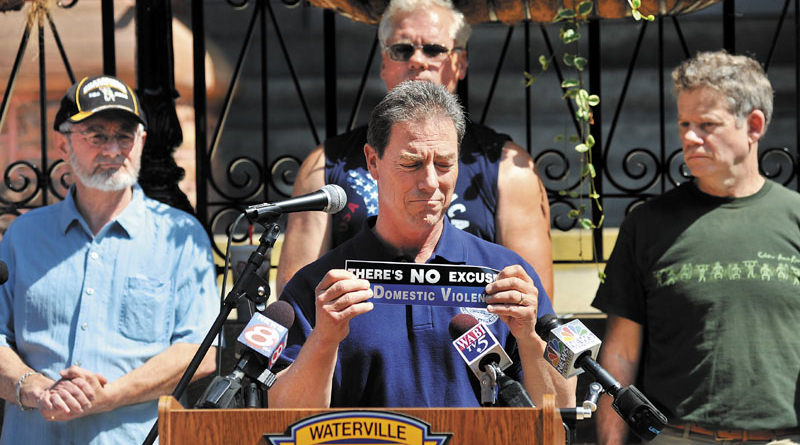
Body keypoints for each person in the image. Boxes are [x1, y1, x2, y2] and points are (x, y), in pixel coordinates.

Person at [268, 80, 573, 409]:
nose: (430, 182)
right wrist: (324, 340)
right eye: (412, 163)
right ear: (373, 162)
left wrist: (528, 338)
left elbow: (561, 406)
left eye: (444, 164)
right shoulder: (322, 287)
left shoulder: (505, 275)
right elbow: (283, 417)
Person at [276, 0, 554, 301]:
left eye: (434, 49)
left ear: (460, 63)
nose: (417, 60)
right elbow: (296, 304)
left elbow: (534, 305)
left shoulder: (507, 168)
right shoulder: (326, 164)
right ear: (384, 63)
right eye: (402, 49)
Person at [592, 51, 800, 445]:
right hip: (676, 436)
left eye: (707, 124)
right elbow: (620, 358)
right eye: (684, 123)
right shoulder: (648, 224)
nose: (689, 137)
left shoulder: (794, 217)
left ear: (754, 125)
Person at [0, 75, 219, 445]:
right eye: (97, 135)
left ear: (142, 142)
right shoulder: (23, 237)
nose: (113, 149)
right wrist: (34, 388)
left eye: (125, 135)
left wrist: (109, 396)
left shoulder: (179, 236)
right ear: (62, 144)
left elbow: (200, 349)